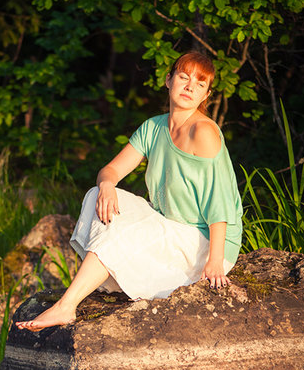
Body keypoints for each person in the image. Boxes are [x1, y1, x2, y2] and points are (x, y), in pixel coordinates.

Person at [16, 51, 243, 332]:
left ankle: (66, 306)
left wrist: (215, 261)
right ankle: (86, 290)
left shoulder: (203, 131)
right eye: (184, 77)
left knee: (131, 231)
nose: (189, 87)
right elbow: (110, 171)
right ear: (168, 80)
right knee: (95, 195)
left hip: (205, 240)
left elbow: (219, 202)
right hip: (171, 225)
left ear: (206, 94)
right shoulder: (153, 127)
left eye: (200, 84)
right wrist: (107, 185)